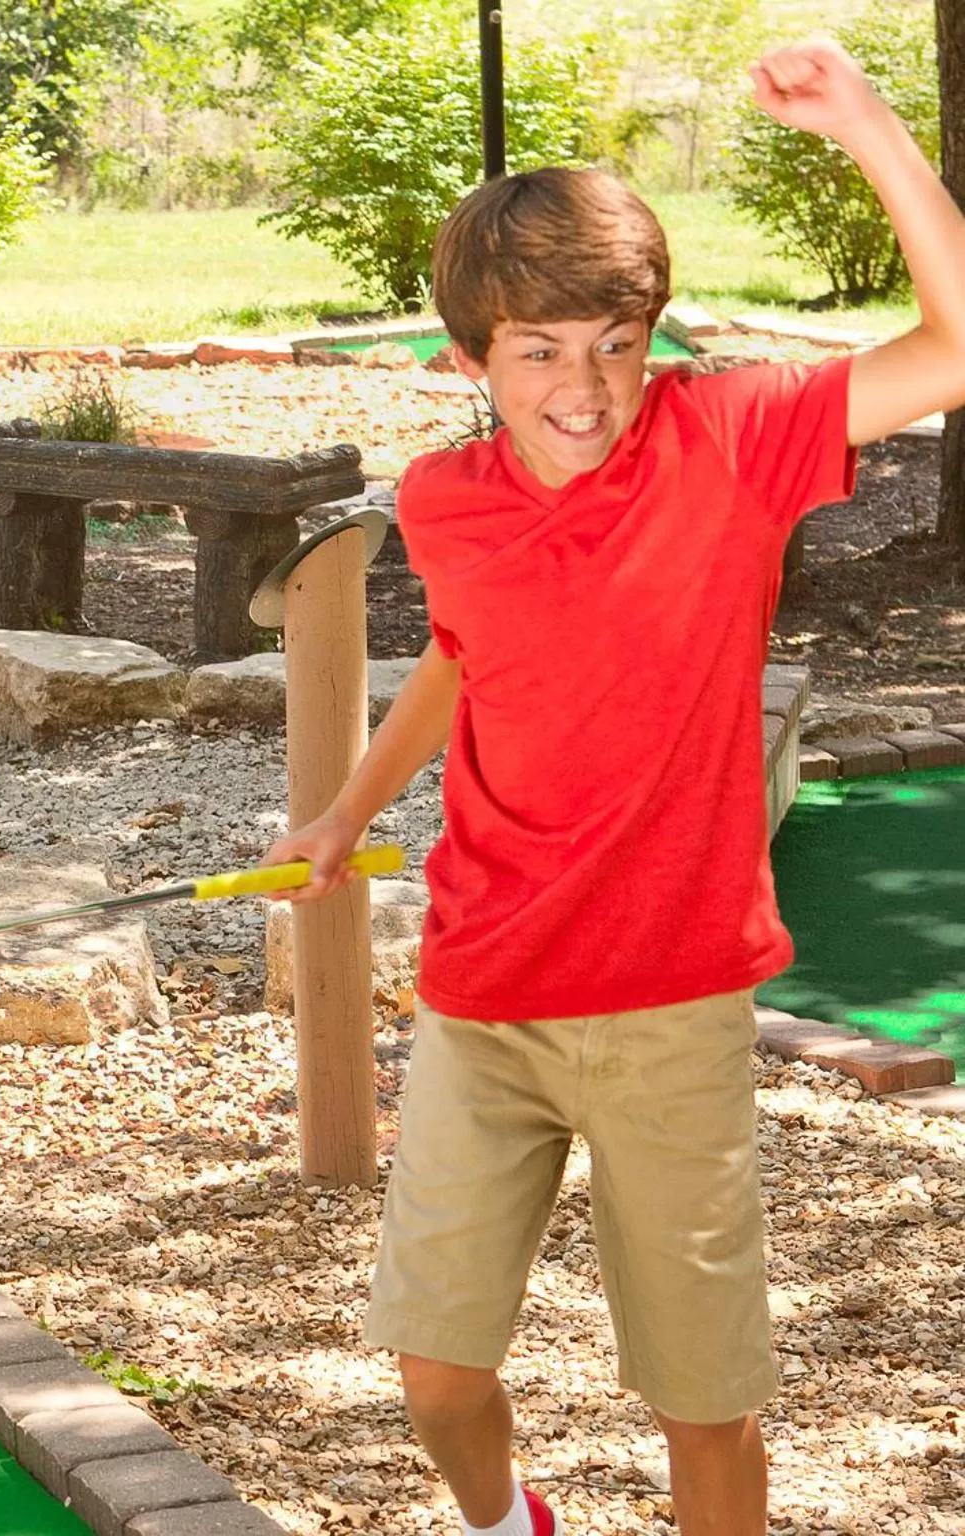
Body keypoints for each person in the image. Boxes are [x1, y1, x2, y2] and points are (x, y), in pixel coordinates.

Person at [261, 42, 965, 1536]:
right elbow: (467, 652)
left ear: (654, 337)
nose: (582, 389)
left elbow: (957, 346)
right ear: (467, 360)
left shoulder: (734, 440)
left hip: (669, 1001)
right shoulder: (446, 501)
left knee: (704, 1407)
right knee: (439, 1372)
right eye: (537, 353)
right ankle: (511, 1523)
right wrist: (349, 806)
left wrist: (866, 124)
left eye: (613, 343)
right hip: (486, 992)